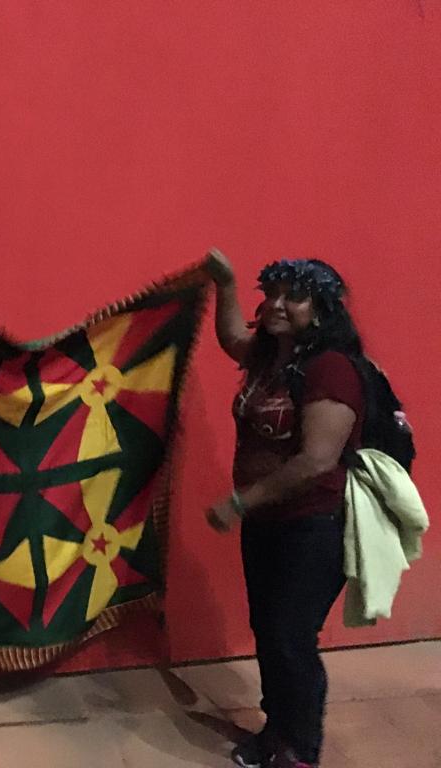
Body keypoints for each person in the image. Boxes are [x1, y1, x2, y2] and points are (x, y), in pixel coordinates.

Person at [203, 250, 369, 768]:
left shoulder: (331, 369)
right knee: (269, 631)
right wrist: (225, 284)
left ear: (321, 309)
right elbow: (233, 338)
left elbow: (317, 460)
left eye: (293, 296)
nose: (276, 304)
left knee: (291, 638)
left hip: (313, 525)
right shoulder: (273, 355)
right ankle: (275, 731)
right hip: (267, 523)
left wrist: (239, 501)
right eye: (271, 293)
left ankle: (300, 750)